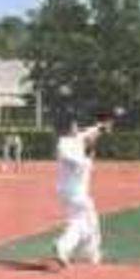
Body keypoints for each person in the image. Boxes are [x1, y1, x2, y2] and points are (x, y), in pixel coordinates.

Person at [51, 113, 113, 268]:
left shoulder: (75, 138)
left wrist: (102, 127)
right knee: (87, 223)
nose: (77, 127)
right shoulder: (63, 145)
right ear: (68, 128)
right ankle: (83, 252)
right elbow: (78, 161)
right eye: (74, 125)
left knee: (84, 223)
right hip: (74, 192)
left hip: (70, 191)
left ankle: (74, 250)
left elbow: (89, 132)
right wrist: (89, 152)